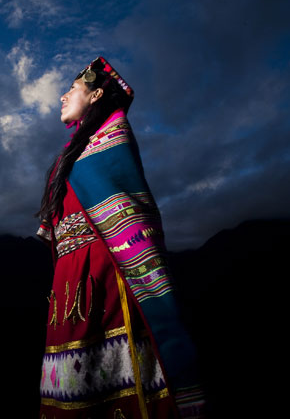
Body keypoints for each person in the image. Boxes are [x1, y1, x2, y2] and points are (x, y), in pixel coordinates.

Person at [36, 57, 205, 418]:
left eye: (72, 90)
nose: (62, 97)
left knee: (114, 374)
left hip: (104, 272)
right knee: (70, 381)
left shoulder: (113, 136)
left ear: (96, 94)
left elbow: (127, 208)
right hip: (68, 279)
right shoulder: (75, 149)